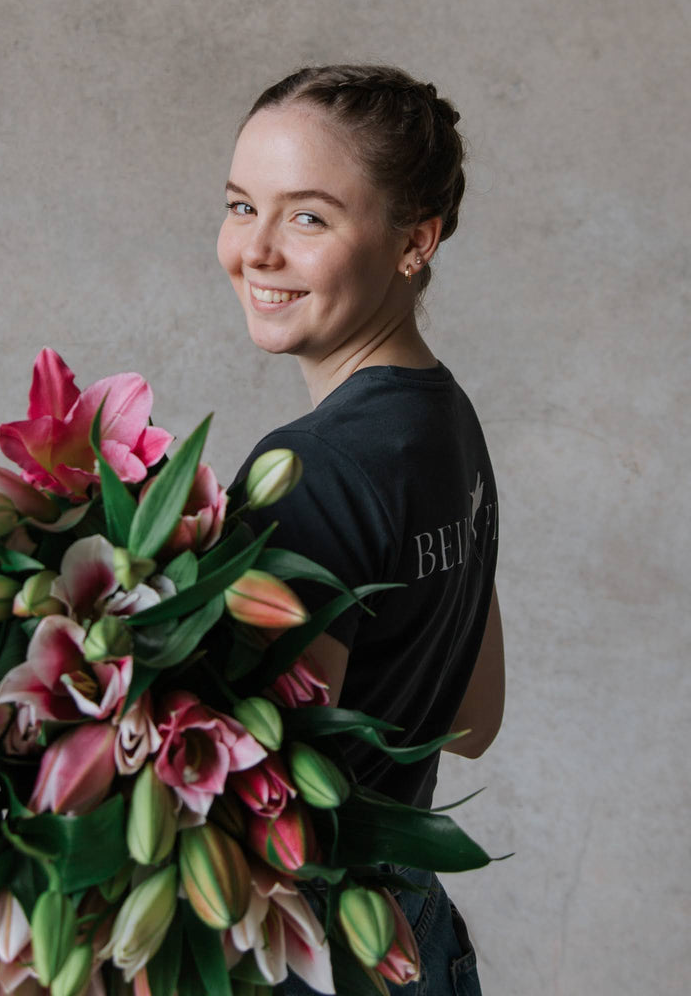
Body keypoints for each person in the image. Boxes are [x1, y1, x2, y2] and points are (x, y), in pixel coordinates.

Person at [219, 65, 502, 996]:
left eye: (307, 217)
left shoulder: (312, 468)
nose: (255, 250)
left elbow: (260, 807)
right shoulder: (445, 421)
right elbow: (470, 720)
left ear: (414, 241)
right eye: (240, 205)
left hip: (316, 948)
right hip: (410, 922)